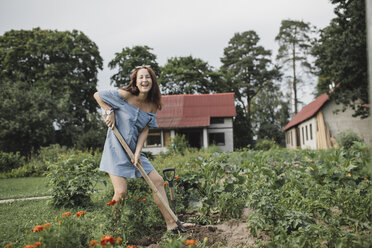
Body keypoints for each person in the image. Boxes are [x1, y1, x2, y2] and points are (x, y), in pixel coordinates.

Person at [93, 65, 194, 232]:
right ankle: (113, 230)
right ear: (136, 81)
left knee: (158, 181)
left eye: (147, 77)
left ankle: (171, 223)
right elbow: (98, 95)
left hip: (134, 150)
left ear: (152, 81)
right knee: (121, 193)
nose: (144, 80)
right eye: (141, 77)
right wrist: (108, 110)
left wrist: (138, 152)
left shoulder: (152, 104)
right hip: (115, 150)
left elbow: (145, 129)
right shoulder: (125, 95)